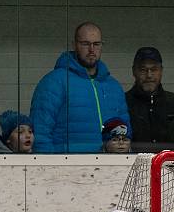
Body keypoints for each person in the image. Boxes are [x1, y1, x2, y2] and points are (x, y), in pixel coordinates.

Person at [30, 22, 129, 153]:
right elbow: (40, 132)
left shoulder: (113, 86)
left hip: (109, 165)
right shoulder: (54, 82)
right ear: (74, 45)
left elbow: (126, 131)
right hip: (68, 165)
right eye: (86, 44)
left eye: (97, 44)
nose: (92, 49)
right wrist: (48, 167)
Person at [124, 47, 174, 144]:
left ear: (161, 71)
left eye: (154, 69)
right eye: (143, 69)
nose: (149, 75)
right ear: (134, 71)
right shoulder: (122, 104)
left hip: (170, 159)